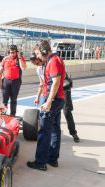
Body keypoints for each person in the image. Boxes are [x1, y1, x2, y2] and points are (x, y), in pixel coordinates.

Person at [27, 40, 65, 171]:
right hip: (58, 99)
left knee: (44, 131)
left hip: (53, 100)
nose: (37, 56)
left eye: (38, 53)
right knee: (55, 130)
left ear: (44, 51)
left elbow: (55, 82)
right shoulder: (55, 59)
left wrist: (48, 101)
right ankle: (52, 159)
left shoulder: (53, 61)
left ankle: (40, 162)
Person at [30, 53, 80, 143]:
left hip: (63, 89)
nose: (36, 64)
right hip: (51, 92)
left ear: (39, 58)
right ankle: (55, 137)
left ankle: (73, 133)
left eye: (36, 62)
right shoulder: (39, 70)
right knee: (55, 115)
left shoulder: (52, 62)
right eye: (35, 64)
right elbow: (42, 84)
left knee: (67, 111)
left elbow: (61, 78)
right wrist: (37, 97)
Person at [0, 44, 27, 116]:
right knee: (4, 100)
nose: (12, 54)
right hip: (6, 81)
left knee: (13, 99)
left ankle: (12, 115)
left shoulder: (20, 59)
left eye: (14, 52)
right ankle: (3, 114)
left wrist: (19, 57)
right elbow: (0, 71)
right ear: (9, 52)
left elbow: (23, 68)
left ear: (16, 52)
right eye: (11, 52)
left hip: (16, 82)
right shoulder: (5, 59)